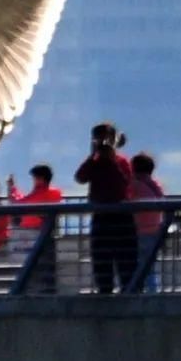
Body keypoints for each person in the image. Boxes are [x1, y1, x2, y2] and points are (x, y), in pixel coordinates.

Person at [75, 123, 135, 294]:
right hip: (101, 217)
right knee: (102, 261)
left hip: (121, 216)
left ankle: (128, 291)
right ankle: (104, 291)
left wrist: (112, 160)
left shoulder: (121, 161)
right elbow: (80, 177)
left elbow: (126, 183)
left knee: (125, 261)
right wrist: (92, 155)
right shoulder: (94, 162)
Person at [8, 164, 63, 293]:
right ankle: (48, 294)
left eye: (35, 178)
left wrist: (12, 188)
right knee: (47, 268)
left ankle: (36, 294)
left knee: (34, 268)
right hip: (47, 235)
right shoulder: (55, 193)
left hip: (36, 236)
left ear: (41, 179)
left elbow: (21, 203)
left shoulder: (40, 194)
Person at [128, 152, 166, 291]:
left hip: (138, 231)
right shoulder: (155, 185)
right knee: (150, 266)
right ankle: (153, 291)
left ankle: (136, 291)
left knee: (136, 265)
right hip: (155, 230)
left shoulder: (134, 185)